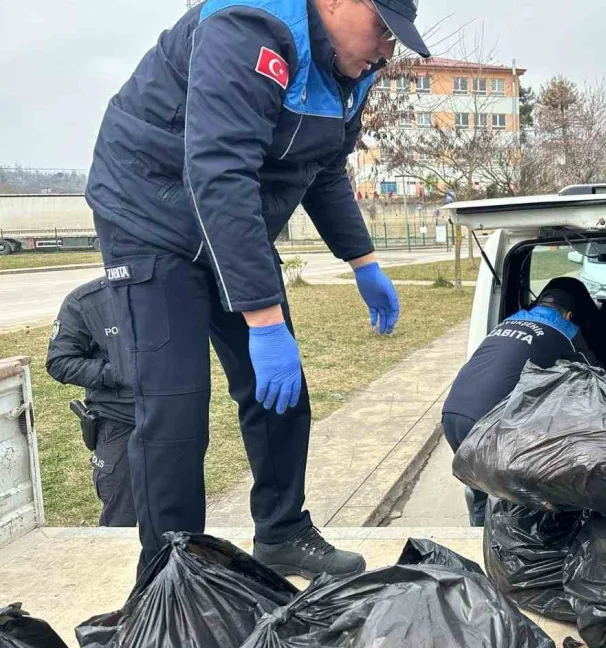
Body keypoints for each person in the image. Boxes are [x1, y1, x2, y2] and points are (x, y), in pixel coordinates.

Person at [83, 0, 431, 578]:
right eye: (384, 31)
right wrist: (264, 321)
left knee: (281, 390)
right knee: (176, 404)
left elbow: (323, 168)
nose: (387, 50)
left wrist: (362, 260)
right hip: (151, 218)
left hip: (230, 218)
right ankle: (174, 571)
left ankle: (283, 530)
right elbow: (217, 166)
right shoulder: (249, 27)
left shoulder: (350, 72)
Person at [441, 287, 593, 525]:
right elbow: (591, 372)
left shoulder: (508, 321)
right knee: (515, 506)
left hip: (452, 414)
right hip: (491, 424)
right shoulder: (566, 329)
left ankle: (477, 540)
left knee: (480, 489)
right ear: (568, 315)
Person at [45, 278, 137, 527]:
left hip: (169, 421)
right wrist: (115, 373)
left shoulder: (169, 291)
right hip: (119, 423)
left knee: (175, 516)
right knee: (120, 519)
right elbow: (59, 362)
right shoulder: (86, 301)